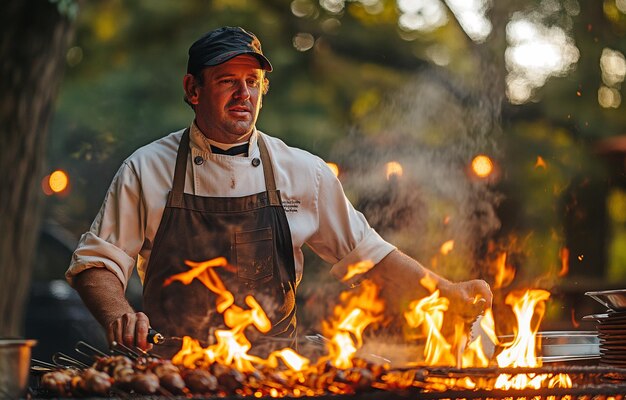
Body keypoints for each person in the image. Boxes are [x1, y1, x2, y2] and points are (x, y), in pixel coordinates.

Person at [66, 26, 492, 356]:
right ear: (192, 90)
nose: (243, 93)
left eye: (252, 81)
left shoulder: (304, 172)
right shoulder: (146, 169)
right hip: (175, 374)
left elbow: (371, 255)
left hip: (275, 375)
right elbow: (97, 262)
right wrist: (120, 315)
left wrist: (446, 292)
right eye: (226, 80)